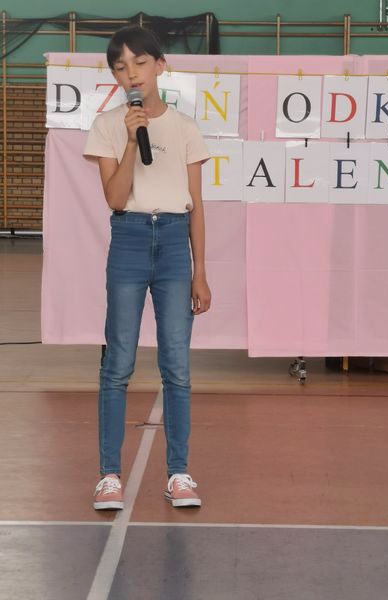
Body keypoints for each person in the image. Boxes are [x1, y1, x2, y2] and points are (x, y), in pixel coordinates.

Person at [83, 25, 211, 510]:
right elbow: (115, 199)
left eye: (139, 62)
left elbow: (197, 205)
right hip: (130, 239)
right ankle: (108, 476)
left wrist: (200, 271)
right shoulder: (108, 126)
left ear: (160, 65)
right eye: (120, 67)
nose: (131, 73)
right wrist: (132, 140)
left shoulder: (185, 128)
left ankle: (179, 472)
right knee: (117, 363)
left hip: (175, 243)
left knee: (176, 365)